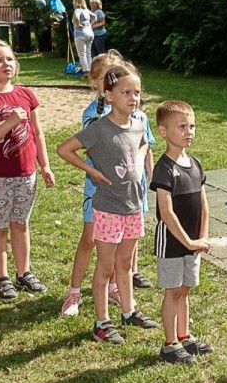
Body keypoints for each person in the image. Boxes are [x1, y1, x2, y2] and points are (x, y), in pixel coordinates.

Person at [57, 60, 160, 343]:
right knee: (105, 267)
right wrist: (93, 172)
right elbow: (64, 149)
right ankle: (102, 322)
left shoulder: (138, 123)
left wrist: (140, 165)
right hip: (108, 210)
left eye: (137, 93)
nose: (133, 98)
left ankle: (129, 311)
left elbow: (142, 145)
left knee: (125, 264)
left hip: (133, 206)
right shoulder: (99, 128)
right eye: (126, 93)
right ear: (109, 95)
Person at [0, 38, 56, 300]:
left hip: (26, 173)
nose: (6, 64)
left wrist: (45, 165)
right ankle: (2, 278)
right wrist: (8, 122)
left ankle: (24, 272)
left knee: (21, 224)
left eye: (9, 58)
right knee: (0, 226)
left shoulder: (27, 95)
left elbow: (37, 133)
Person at [150, 99, 214, 364]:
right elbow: (166, 212)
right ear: (163, 131)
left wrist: (203, 237)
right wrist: (187, 240)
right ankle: (169, 343)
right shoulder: (164, 168)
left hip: (193, 242)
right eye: (182, 126)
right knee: (172, 290)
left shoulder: (195, 164)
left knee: (185, 289)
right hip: (173, 243)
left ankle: (184, 335)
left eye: (192, 126)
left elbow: (204, 204)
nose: (189, 131)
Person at [71, 0, 95, 72]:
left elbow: (77, 17)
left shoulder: (77, 10)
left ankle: (86, 71)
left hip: (80, 34)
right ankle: (91, 71)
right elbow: (95, 17)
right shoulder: (86, 10)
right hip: (90, 33)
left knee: (82, 54)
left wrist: (78, 24)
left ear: (75, 2)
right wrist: (90, 25)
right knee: (88, 54)